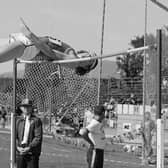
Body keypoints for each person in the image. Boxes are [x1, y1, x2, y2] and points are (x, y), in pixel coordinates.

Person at [16, 98, 43, 168]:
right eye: (24, 106)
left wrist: (29, 147)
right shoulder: (18, 120)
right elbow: (14, 136)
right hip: (20, 152)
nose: (26, 108)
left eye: (28, 106)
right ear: (21, 108)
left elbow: (38, 137)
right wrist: (17, 147)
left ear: (31, 108)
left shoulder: (36, 120)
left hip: (32, 153)